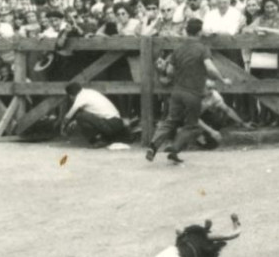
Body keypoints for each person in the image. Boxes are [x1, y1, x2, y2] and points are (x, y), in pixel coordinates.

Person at [147, 17, 227, 164]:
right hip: (194, 93)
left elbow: (170, 72)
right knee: (192, 126)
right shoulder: (202, 49)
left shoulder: (178, 49)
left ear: (187, 31)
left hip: (177, 92)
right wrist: (222, 79)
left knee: (170, 121)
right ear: (200, 32)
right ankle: (175, 149)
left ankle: (153, 145)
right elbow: (210, 68)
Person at [61, 80, 129, 146]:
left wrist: (63, 125)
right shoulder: (89, 92)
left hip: (111, 123)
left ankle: (98, 140)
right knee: (82, 117)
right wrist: (74, 121)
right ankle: (107, 138)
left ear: (71, 95)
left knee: (80, 116)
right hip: (116, 122)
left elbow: (69, 114)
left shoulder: (80, 97)